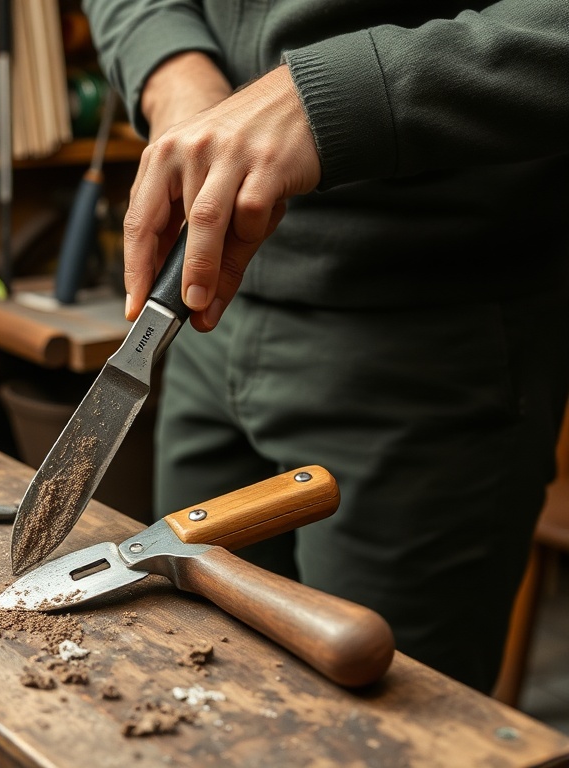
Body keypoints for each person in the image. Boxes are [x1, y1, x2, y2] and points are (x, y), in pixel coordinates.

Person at [80, 0, 569, 692]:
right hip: (204, 302)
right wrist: (170, 67)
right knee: (193, 693)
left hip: (431, 342)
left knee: (385, 731)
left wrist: (337, 94)